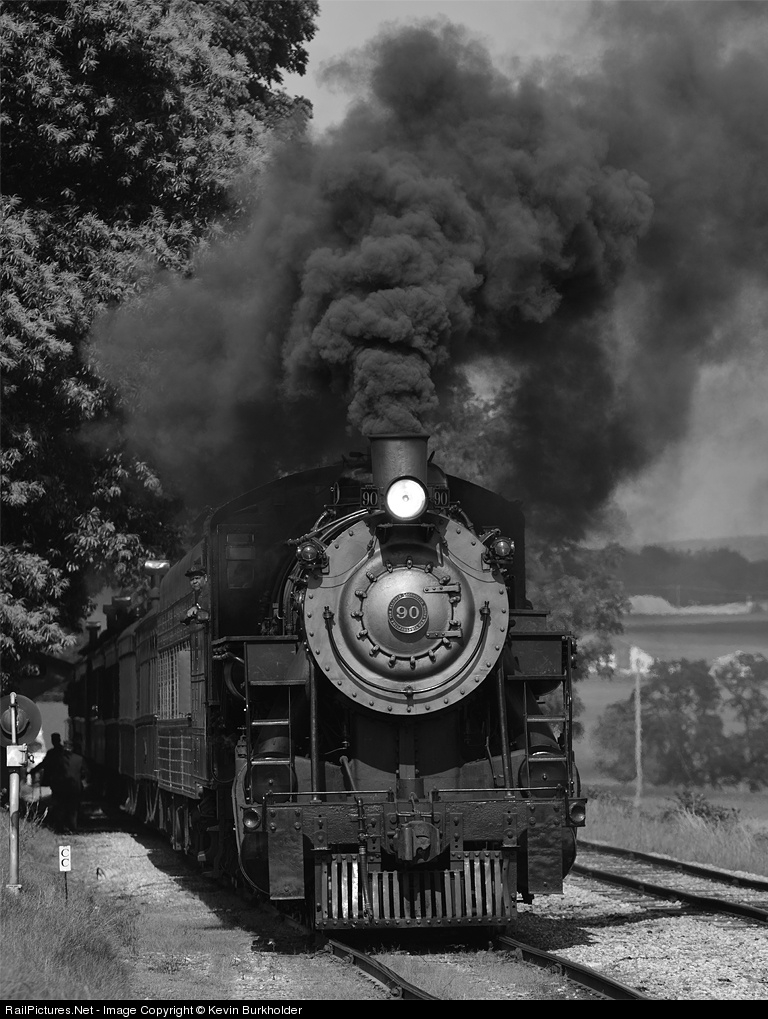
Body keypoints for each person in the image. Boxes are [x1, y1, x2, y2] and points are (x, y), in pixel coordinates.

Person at [31, 733, 87, 833]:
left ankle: (59, 828)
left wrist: (33, 771)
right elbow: (85, 772)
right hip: (74, 787)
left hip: (59, 786)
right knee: (73, 808)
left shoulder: (56, 757)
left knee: (59, 807)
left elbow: (46, 765)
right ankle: (72, 828)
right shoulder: (79, 759)